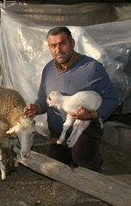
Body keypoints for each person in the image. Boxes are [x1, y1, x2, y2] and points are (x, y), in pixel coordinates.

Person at [25, 26, 119, 171]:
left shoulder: (92, 68)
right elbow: (44, 100)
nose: (58, 49)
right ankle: (67, 151)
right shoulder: (48, 70)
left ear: (72, 43)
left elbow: (112, 99)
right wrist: (36, 108)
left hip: (86, 127)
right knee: (53, 167)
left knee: (83, 158)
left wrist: (93, 114)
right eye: (53, 45)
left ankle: (92, 161)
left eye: (62, 43)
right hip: (59, 131)